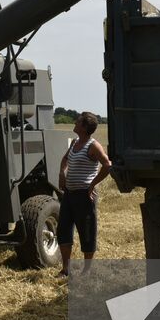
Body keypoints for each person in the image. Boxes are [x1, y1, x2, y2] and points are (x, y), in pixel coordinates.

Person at [56, 111, 111, 277]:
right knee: (63, 230)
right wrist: (61, 173)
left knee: (86, 232)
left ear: (85, 127)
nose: (75, 122)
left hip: (84, 196)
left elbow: (107, 165)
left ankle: (86, 270)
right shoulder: (74, 142)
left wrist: (93, 184)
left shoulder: (93, 146)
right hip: (69, 194)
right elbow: (65, 159)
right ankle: (66, 269)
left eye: (78, 121)